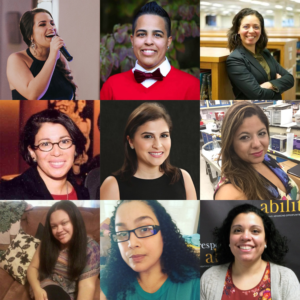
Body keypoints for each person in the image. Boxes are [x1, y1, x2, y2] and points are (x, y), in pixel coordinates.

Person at [100, 200, 200, 300]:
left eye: (144, 229)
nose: (132, 243)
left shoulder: (196, 282)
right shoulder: (108, 279)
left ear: (164, 233)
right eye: (122, 233)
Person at [100, 1, 199, 100]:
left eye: (157, 35)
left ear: (168, 42)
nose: (148, 42)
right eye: (141, 34)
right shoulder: (112, 86)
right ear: (132, 40)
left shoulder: (192, 87)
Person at [201, 204, 300, 299]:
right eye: (238, 230)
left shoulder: (285, 278)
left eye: (255, 231)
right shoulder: (209, 278)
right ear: (228, 239)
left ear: (266, 240)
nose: (246, 237)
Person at [100, 102, 197, 200]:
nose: (158, 145)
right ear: (131, 141)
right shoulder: (112, 186)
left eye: (164, 135)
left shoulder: (184, 178)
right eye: (148, 136)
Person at [214, 101, 299, 200]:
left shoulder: (267, 159)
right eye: (244, 137)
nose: (257, 144)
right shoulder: (230, 192)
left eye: (261, 133)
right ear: (230, 142)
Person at [0, 109, 89, 200]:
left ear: (75, 149)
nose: (56, 152)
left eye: (64, 141)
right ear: (32, 152)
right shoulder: (7, 195)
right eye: (45, 144)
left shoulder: (85, 194)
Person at [27, 201, 99, 300]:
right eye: (54, 226)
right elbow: (32, 268)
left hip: (68, 292)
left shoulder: (91, 249)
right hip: (45, 285)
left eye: (64, 223)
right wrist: (37, 290)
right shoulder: (47, 241)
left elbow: (87, 286)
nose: (59, 230)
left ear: (75, 221)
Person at [6, 8, 76, 100]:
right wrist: (52, 58)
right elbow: (33, 95)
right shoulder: (16, 59)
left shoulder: (60, 58)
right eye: (42, 24)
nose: (51, 28)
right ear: (30, 35)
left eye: (52, 23)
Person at [226, 8, 294, 100]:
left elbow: (290, 79)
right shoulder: (235, 59)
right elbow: (258, 95)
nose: (251, 31)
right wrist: (278, 87)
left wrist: (270, 84)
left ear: (261, 30)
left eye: (256, 27)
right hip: (253, 109)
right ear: (238, 30)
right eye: (246, 26)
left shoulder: (264, 52)